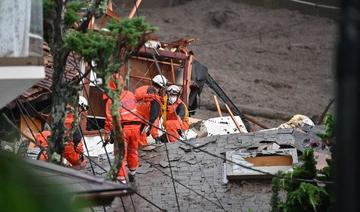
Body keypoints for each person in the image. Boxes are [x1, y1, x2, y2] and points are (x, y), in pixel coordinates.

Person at [103, 73, 142, 183]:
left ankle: (121, 181)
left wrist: (107, 132)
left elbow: (110, 119)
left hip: (122, 129)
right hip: (135, 127)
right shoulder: (130, 94)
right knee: (133, 150)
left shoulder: (111, 100)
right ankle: (132, 173)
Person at [35, 96, 88, 169]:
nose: (80, 113)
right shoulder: (72, 122)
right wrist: (80, 160)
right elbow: (73, 145)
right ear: (78, 107)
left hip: (44, 145)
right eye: (81, 110)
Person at [134, 74, 168, 145]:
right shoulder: (156, 99)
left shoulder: (141, 90)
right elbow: (154, 117)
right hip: (140, 126)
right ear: (160, 87)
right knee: (141, 146)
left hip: (128, 123)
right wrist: (155, 135)